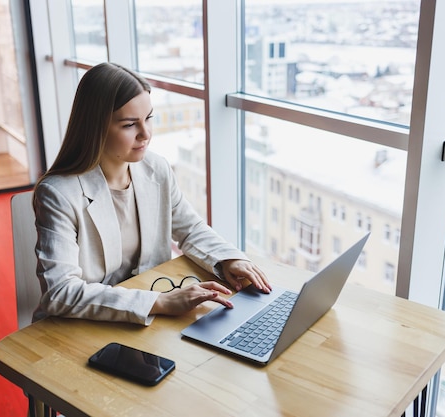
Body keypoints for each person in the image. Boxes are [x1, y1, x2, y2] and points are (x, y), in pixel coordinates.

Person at [32, 62, 271, 325]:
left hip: (147, 319)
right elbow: (60, 292)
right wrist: (161, 302)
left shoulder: (155, 169)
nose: (145, 134)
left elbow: (190, 229)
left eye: (148, 118)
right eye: (129, 125)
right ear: (95, 127)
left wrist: (228, 259)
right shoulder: (58, 194)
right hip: (83, 325)